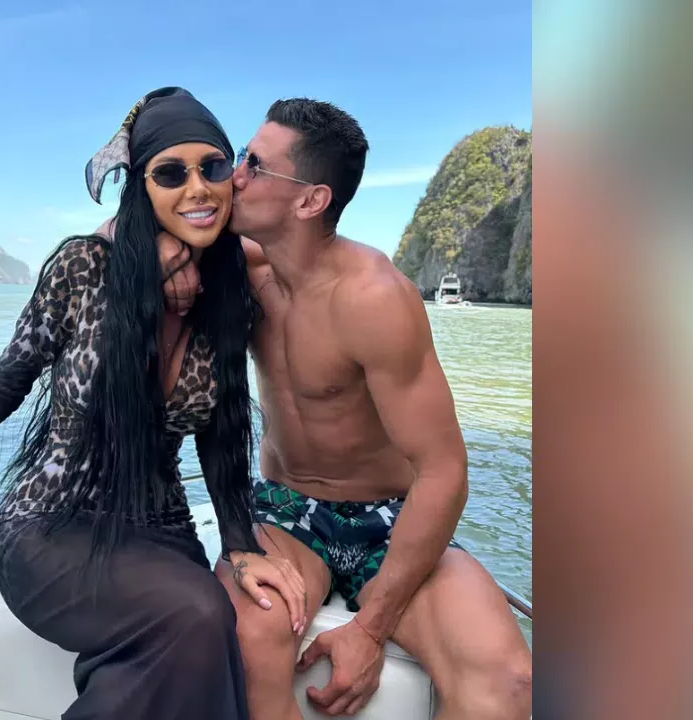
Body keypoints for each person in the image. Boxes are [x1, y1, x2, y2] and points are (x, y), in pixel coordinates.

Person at [0, 87, 306, 720]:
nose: (197, 188)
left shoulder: (229, 291)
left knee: (207, 628)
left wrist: (239, 543)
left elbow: (222, 432)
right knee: (194, 615)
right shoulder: (84, 269)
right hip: (53, 524)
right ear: (142, 187)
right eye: (171, 173)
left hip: (162, 530)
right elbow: (3, 383)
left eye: (213, 166)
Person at [219, 98, 533, 720]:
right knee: (244, 641)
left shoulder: (374, 299)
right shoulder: (237, 270)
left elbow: (443, 472)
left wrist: (370, 627)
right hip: (287, 510)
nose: (235, 176)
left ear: (310, 200)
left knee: (510, 680)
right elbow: (133, 236)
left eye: (254, 164)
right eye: (240, 156)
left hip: (390, 518)